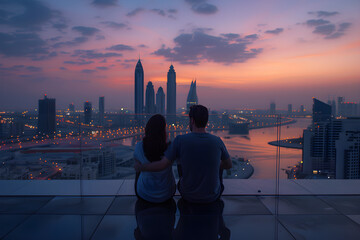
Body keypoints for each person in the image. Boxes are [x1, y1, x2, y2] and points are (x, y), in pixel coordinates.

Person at [135, 105, 232, 203]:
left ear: (192, 120)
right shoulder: (217, 141)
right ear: (206, 121)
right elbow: (228, 165)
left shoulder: (180, 140)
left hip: (187, 194)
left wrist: (141, 167)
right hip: (212, 197)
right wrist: (215, 164)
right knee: (220, 165)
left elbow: (163, 164)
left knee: (180, 161)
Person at [134, 114, 176, 203]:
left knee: (139, 172)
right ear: (163, 130)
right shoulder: (170, 147)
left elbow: (137, 169)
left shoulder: (139, 146)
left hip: (144, 193)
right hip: (167, 193)